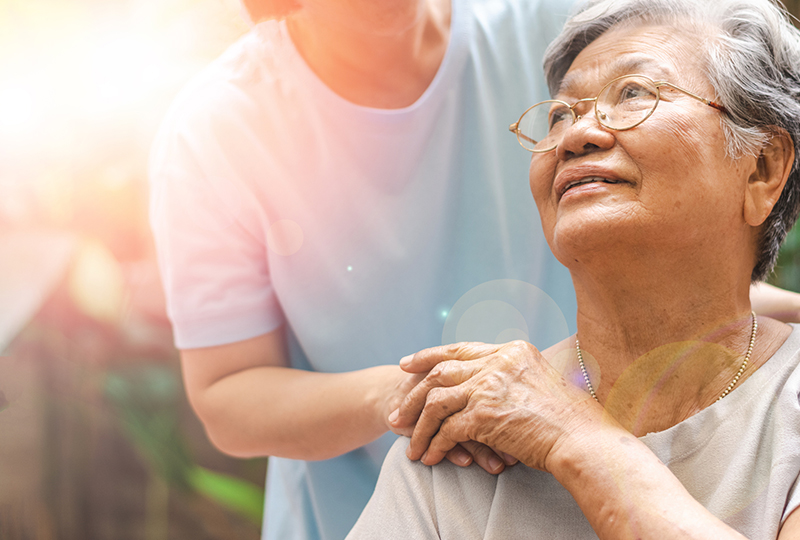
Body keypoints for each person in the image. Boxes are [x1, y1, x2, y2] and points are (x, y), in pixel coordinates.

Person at [346, 0, 800, 538]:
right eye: (560, 114)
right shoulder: (476, 425)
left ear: (763, 169)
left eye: (634, 93)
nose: (575, 137)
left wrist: (573, 436)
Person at [148, 0, 582, 538]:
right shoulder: (216, 129)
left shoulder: (558, 26)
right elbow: (227, 393)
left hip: (578, 498)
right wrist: (399, 394)